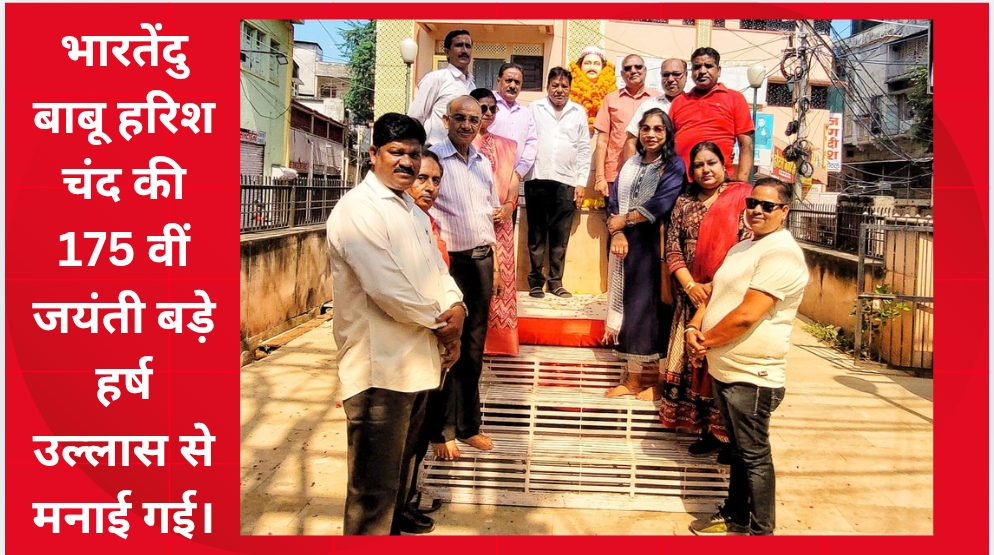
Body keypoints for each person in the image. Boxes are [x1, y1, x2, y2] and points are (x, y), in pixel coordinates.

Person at [326, 113, 466, 535]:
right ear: (374, 154)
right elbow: (387, 288)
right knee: (373, 493)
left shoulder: (413, 211)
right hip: (379, 372)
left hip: (418, 364)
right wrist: (443, 325)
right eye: (396, 152)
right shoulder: (358, 211)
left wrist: (457, 307)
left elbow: (437, 273)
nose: (407, 162)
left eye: (414, 153)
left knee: (400, 479)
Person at [686, 177, 809, 536]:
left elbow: (746, 315)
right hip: (726, 369)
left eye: (767, 206)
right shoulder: (743, 246)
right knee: (739, 450)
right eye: (752, 203)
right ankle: (736, 515)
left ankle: (761, 531)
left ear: (784, 211)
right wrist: (694, 327)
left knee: (754, 456)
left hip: (753, 376)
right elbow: (714, 294)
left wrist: (705, 341)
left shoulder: (782, 254)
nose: (756, 210)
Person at [659, 141, 753, 458]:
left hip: (726, 298)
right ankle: (706, 432)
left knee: (721, 366)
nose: (705, 170)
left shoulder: (740, 199)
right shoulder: (684, 202)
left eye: (711, 163)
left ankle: (728, 438)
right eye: (698, 165)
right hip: (691, 299)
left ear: (725, 165)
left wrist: (716, 286)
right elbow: (673, 247)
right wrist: (690, 286)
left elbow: (747, 247)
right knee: (693, 366)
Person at [426, 96, 501, 460]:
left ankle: (469, 426)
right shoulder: (434, 160)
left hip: (481, 261)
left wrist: (495, 266)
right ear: (447, 120)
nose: (468, 125)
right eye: (460, 118)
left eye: (475, 118)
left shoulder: (484, 163)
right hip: (448, 263)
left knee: (473, 348)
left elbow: (490, 217)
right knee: (446, 344)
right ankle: (441, 429)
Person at [603, 108, 685, 399]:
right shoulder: (631, 164)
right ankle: (633, 379)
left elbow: (663, 202)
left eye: (658, 129)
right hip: (627, 246)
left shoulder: (673, 165)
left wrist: (625, 221)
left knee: (657, 310)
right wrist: (618, 232)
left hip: (656, 245)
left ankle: (659, 382)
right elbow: (614, 202)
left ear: (667, 133)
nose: (651, 134)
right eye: (646, 128)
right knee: (632, 309)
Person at [524, 67, 591, 299]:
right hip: (537, 178)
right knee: (536, 234)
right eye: (555, 85)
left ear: (570, 88)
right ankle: (535, 282)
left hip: (566, 181)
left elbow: (584, 149)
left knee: (560, 236)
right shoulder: (534, 108)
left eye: (564, 86)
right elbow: (527, 140)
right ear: (547, 87)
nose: (559, 90)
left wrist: (581, 182)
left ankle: (556, 282)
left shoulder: (578, 112)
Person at [469, 87, 520, 355]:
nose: (488, 113)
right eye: (482, 108)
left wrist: (510, 205)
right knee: (477, 277)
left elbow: (514, 178)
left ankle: (500, 343)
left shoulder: (506, 144)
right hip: (471, 222)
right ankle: (474, 340)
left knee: (503, 281)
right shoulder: (462, 143)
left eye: (492, 108)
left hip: (501, 220)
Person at [669, 47, 755, 181]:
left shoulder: (735, 98)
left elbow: (746, 145)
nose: (702, 71)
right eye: (697, 67)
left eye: (708, 66)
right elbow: (667, 142)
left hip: (718, 180)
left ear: (718, 70)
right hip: (681, 180)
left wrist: (741, 183)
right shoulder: (679, 101)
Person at [592, 54, 660, 198]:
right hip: (616, 173)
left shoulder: (658, 100)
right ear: (622, 74)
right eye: (628, 68)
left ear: (645, 70)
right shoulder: (611, 99)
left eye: (638, 67)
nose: (633, 71)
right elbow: (602, 141)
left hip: (651, 174)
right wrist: (600, 177)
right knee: (615, 213)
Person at [408, 29, 475, 146]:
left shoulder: (471, 84)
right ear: (447, 52)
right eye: (459, 45)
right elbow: (415, 117)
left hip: (462, 151)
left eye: (468, 46)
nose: (464, 50)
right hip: (436, 150)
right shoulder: (436, 78)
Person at [622, 58, 688, 161]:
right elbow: (631, 141)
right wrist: (629, 168)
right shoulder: (649, 105)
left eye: (676, 74)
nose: (670, 79)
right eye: (666, 75)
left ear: (686, 75)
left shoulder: (694, 105)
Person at [487, 63, 537, 187]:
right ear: (498, 81)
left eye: (517, 82)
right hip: (486, 177)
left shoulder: (525, 113)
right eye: (508, 80)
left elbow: (531, 144)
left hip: (513, 179)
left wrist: (518, 173)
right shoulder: (487, 108)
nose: (513, 86)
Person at [406, 148, 449, 266]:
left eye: (436, 180)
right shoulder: (395, 223)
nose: (430, 187)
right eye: (421, 178)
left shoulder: (429, 221)